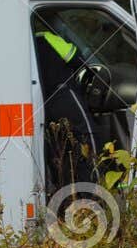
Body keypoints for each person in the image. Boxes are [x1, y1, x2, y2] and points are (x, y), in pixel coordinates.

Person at [33, 25, 99, 191]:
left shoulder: (25, 43)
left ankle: (63, 189)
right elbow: (78, 60)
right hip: (63, 96)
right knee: (87, 135)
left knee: (57, 150)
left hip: (42, 103)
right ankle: (95, 186)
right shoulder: (47, 37)